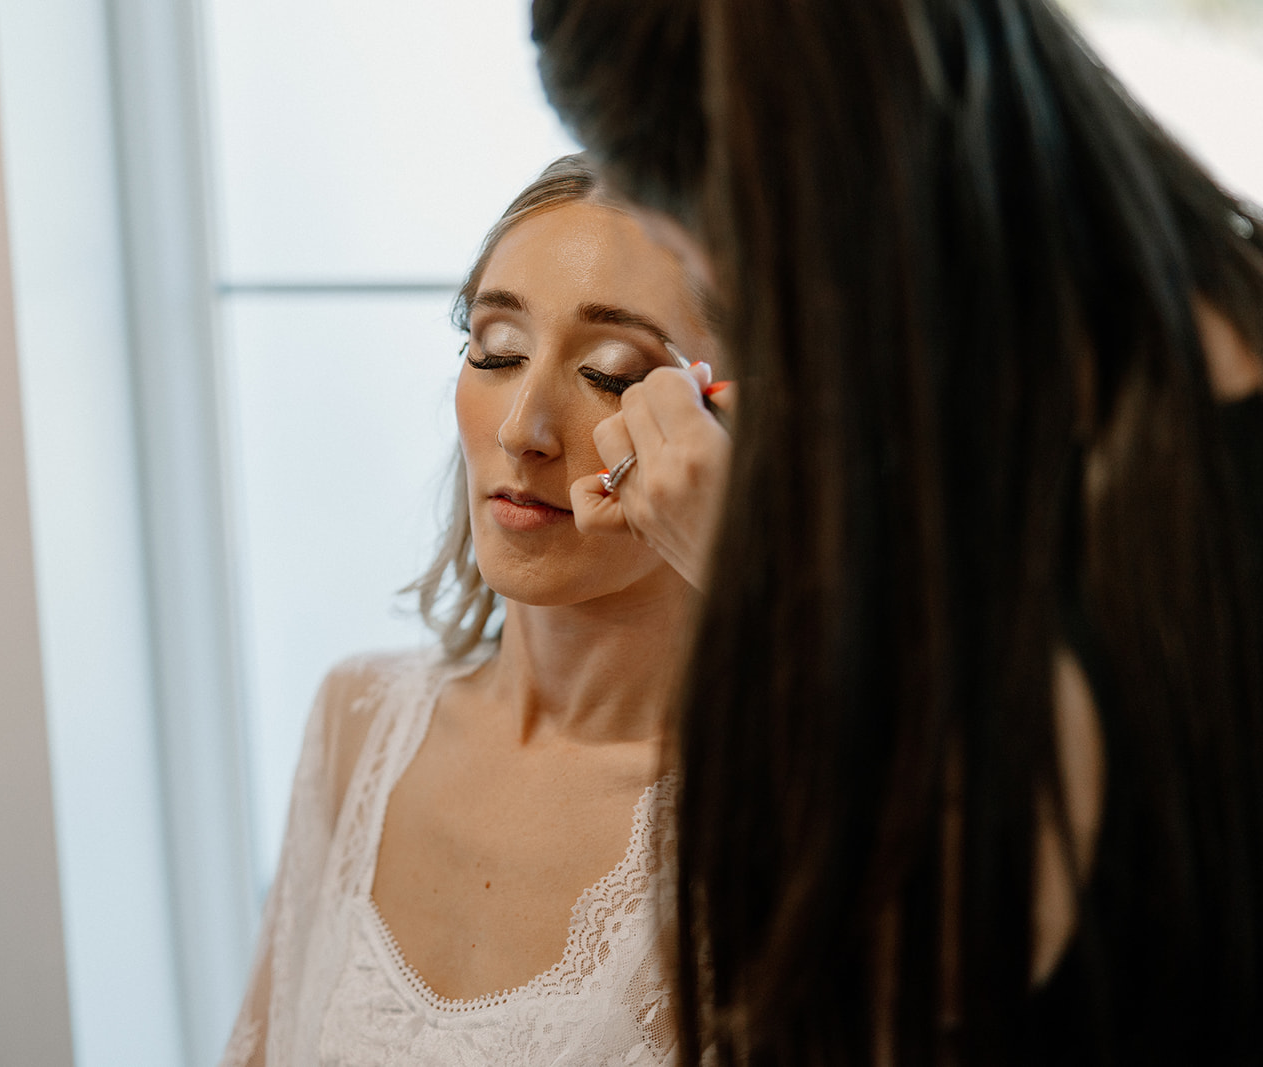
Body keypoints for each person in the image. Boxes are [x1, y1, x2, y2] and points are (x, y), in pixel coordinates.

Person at [530, 0, 1263, 1063]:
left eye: (690, 257)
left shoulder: (987, 658)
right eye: (492, 343)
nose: (529, 427)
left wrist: (769, 585)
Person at [219, 155, 726, 1065]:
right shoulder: (360, 722)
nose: (522, 427)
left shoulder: (791, 820)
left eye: (612, 374)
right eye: (495, 351)